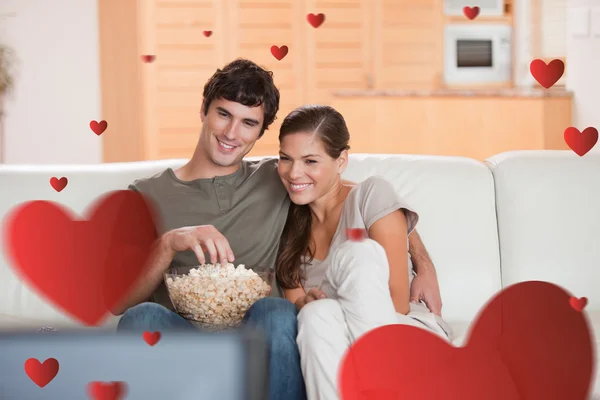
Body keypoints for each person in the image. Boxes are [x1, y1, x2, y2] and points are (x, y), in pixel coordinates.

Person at [113, 58, 306, 400]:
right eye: (223, 114)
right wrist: (169, 244)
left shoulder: (279, 177)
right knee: (141, 317)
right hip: (181, 348)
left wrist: (417, 256)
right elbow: (118, 301)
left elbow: (350, 195)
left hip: (258, 347)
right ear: (204, 109)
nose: (232, 133)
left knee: (277, 311)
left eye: (248, 123)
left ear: (261, 132)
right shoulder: (144, 194)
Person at [274, 104, 453, 400]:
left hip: (401, 332)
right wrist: (312, 305)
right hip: (332, 345)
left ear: (341, 160)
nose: (294, 172)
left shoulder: (370, 195)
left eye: (310, 161)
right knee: (316, 314)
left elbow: (396, 302)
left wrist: (424, 264)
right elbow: (300, 308)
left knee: (360, 254)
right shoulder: (284, 222)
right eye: (285, 159)